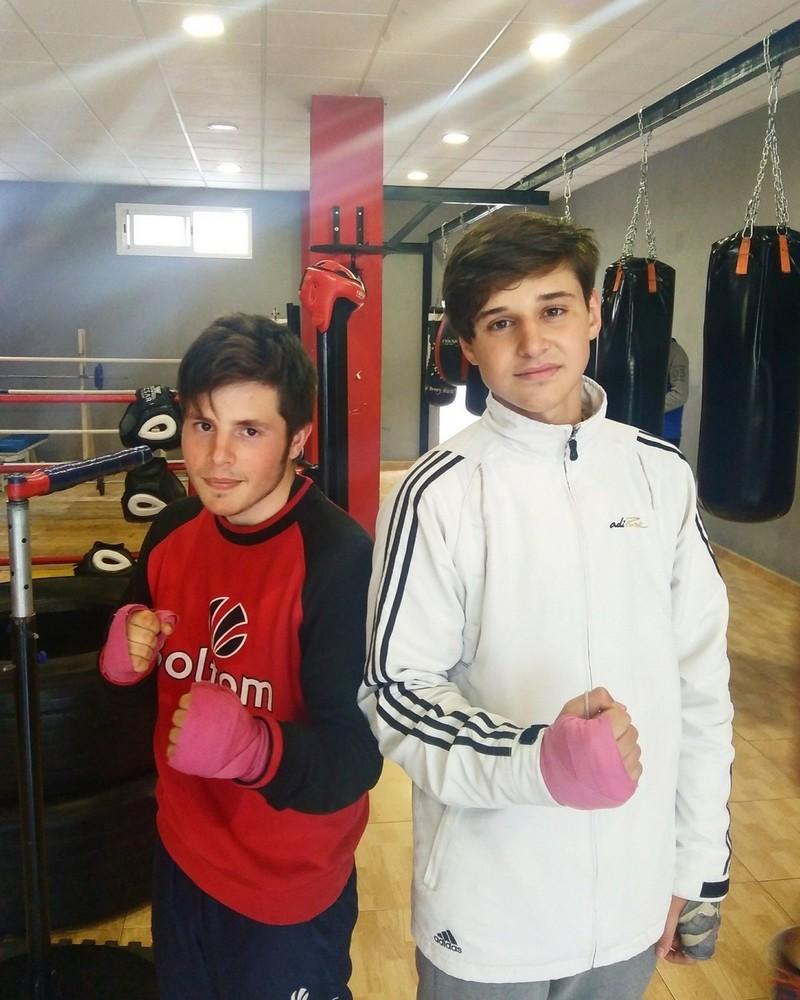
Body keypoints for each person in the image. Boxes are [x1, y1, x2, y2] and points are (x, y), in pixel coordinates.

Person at [359, 212, 733, 1000]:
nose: (533, 343)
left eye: (554, 310)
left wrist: (698, 863)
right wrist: (536, 759)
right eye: (502, 321)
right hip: (492, 913)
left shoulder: (660, 475)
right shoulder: (439, 492)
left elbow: (700, 682)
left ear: (594, 314)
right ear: (468, 345)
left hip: (633, 898)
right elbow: (396, 693)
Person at [99, 313, 382, 1000]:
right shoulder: (170, 531)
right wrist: (124, 655)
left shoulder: (339, 561)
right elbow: (153, 697)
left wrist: (255, 749)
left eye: (249, 431)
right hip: (181, 854)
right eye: (203, 425)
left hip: (286, 889)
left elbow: (355, 761)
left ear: (298, 441)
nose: (218, 457)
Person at [663, 337, 689, 447]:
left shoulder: (676, 354)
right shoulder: (647, 351)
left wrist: (650, 409)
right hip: (642, 429)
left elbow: (680, 394)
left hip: (667, 432)